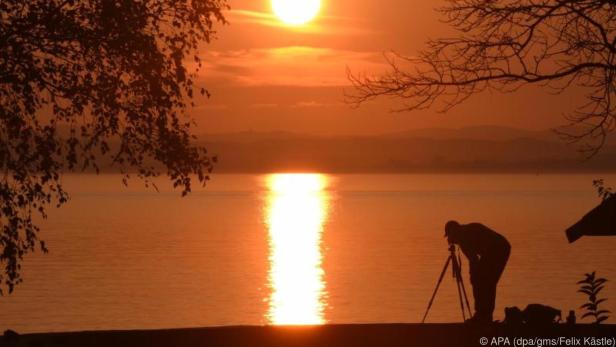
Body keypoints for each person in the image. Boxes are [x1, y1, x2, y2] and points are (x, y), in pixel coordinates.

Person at [445, 220, 511, 323]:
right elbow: (474, 260)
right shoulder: (465, 233)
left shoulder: (464, 237)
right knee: (486, 282)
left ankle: (482, 316)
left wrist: (473, 275)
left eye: (450, 236)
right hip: (500, 248)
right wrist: (474, 274)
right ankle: (484, 316)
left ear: (453, 231)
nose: (450, 240)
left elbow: (473, 259)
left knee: (484, 282)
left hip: (498, 249)